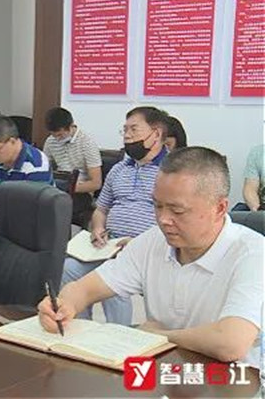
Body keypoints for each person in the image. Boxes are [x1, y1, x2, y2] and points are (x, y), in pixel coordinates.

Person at [38, 147, 262, 368]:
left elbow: (231, 343)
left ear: (220, 208)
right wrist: (64, 305)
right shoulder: (153, 240)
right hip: (164, 371)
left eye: (177, 210)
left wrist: (158, 335)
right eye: (157, 206)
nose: (163, 219)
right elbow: (86, 289)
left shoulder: (253, 253)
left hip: (233, 380)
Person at [61, 106, 169, 325]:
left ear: (156, 134)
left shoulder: (171, 172)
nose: (127, 136)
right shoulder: (119, 169)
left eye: (134, 129)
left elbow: (173, 218)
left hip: (147, 249)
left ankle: (118, 334)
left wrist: (140, 243)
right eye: (125, 130)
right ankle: (82, 328)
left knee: (115, 279)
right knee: (68, 269)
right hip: (108, 246)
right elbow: (101, 209)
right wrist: (98, 228)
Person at [0, 116, 53, 229]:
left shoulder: (36, 164)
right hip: (3, 221)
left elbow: (26, 211)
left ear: (12, 141)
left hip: (35, 225)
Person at [42, 107, 102, 227]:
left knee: (57, 208)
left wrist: (68, 188)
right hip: (57, 188)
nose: (57, 139)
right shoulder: (51, 141)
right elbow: (45, 168)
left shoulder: (87, 143)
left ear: (71, 126)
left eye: (60, 135)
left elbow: (96, 183)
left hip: (80, 192)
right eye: (54, 135)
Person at [239, 144, 264, 211]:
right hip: (261, 207)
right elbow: (250, 189)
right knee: (237, 211)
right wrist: (258, 211)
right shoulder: (258, 153)